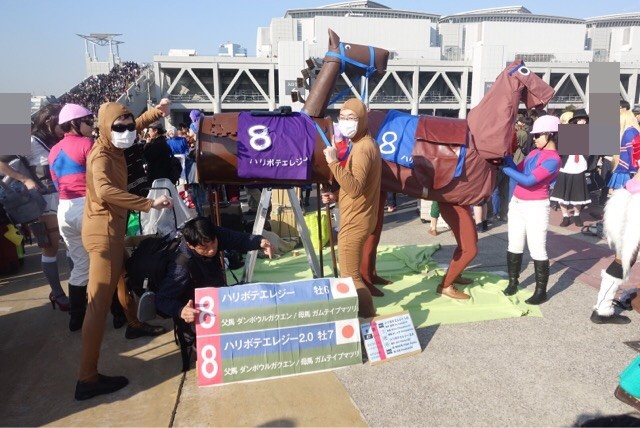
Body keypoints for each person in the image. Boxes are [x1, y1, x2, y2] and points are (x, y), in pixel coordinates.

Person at [75, 99, 174, 401]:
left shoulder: (114, 140)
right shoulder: (101, 156)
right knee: (97, 305)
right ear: (106, 129)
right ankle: (87, 378)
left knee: (123, 277)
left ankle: (133, 323)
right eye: (120, 128)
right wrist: (149, 203)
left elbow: (132, 124)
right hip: (103, 234)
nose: (127, 131)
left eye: (129, 126)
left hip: (111, 231)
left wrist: (156, 112)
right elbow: (105, 190)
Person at [0, 103, 69, 310]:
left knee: (73, 245)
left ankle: (77, 289)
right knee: (51, 247)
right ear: (49, 121)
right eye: (61, 123)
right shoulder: (30, 141)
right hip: (45, 201)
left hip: (69, 197)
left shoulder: (63, 138)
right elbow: (1, 162)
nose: (65, 126)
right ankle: (57, 293)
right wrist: (24, 179)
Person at [321, 98, 382, 318]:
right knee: (351, 274)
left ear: (362, 119)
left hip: (355, 221)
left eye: (352, 118)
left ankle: (369, 320)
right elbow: (359, 186)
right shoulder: (365, 143)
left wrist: (333, 162)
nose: (346, 122)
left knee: (350, 277)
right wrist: (336, 196)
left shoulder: (363, 148)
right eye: (342, 117)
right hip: (360, 216)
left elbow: (355, 188)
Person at [155, 216, 273, 323]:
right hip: (195, 311)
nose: (211, 250)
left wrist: (259, 242)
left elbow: (239, 239)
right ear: (190, 245)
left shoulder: (211, 235)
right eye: (204, 248)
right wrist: (181, 311)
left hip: (216, 290)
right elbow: (162, 299)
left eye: (213, 243)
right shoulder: (182, 266)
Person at [501, 115, 561, 305]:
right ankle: (513, 282)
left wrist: (504, 168)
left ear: (551, 134)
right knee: (514, 244)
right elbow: (519, 170)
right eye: (533, 135)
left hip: (536, 207)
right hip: (517, 203)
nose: (533, 138)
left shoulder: (554, 159)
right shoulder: (535, 152)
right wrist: (505, 157)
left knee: (537, 249)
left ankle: (541, 292)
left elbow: (528, 180)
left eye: (537, 135)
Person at [48, 103, 95, 330]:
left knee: (80, 265)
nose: (91, 125)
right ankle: (118, 313)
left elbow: (56, 183)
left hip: (64, 209)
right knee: (106, 261)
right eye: (88, 121)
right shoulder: (87, 144)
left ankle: (76, 318)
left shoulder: (53, 150)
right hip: (87, 206)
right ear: (74, 123)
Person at [591, 125, 640, 324]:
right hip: (633, 202)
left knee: (623, 259)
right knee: (623, 259)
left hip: (629, 196)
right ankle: (602, 310)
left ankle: (602, 308)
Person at [550, 110, 591, 227]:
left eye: (585, 120)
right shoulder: (565, 132)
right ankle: (565, 217)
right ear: (575, 121)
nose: (583, 122)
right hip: (566, 166)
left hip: (580, 166)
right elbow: (557, 147)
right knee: (562, 193)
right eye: (580, 120)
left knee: (579, 193)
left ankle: (577, 215)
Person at [608, 110, 640, 193]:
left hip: (626, 168)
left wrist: (634, 169)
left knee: (622, 194)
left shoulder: (629, 132)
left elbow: (632, 152)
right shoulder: (632, 131)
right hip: (627, 167)